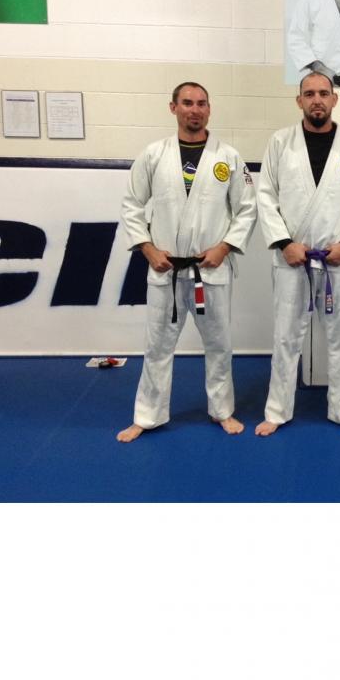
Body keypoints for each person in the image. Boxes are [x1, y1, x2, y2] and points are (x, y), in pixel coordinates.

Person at [117, 82, 257, 441]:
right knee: (157, 346)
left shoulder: (228, 157)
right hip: (165, 268)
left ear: (209, 109)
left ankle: (222, 410)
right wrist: (148, 249)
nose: (195, 109)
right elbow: (132, 205)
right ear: (173, 107)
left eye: (201, 103)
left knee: (219, 345)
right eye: (187, 103)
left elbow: (246, 209)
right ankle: (147, 416)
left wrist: (224, 247)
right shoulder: (153, 155)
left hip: (211, 268)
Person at [255, 73, 340, 434]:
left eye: (324, 93)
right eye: (309, 94)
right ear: (300, 101)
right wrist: (284, 243)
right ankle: (277, 411)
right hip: (292, 259)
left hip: (338, 258)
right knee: (286, 337)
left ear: (335, 99)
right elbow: (265, 196)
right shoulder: (280, 143)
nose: (317, 99)